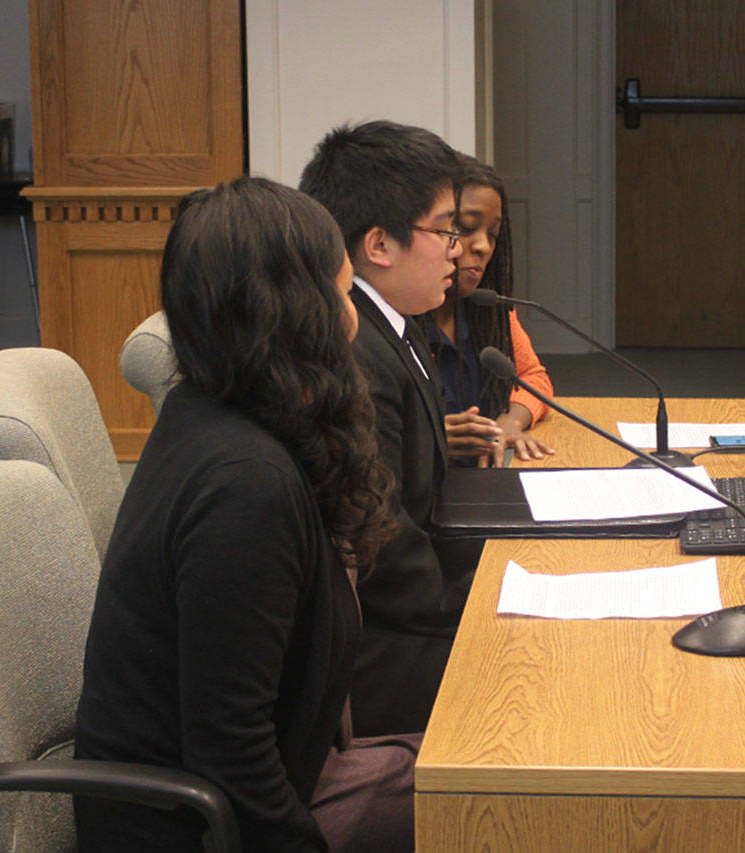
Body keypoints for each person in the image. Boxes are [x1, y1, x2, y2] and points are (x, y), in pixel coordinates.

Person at [74, 177, 418, 851]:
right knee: (512, 803)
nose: (354, 317)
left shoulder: (214, 412)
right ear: (304, 312)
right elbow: (231, 758)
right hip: (203, 829)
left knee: (492, 771)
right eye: (345, 292)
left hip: (275, 780)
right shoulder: (246, 487)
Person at [298, 121, 483, 737]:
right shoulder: (359, 353)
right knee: (522, 669)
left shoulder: (396, 327)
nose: (457, 249)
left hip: (405, 610)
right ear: (379, 245)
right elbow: (379, 532)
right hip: (377, 649)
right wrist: (471, 605)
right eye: (445, 230)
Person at [418, 156, 556, 467]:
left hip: (483, 477)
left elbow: (534, 378)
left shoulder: (489, 312)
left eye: (493, 233)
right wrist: (427, 439)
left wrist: (511, 422)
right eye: (465, 228)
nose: (483, 246)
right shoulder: (399, 317)